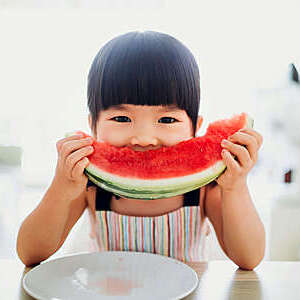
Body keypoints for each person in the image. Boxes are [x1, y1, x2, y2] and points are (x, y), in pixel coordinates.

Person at [16, 30, 265, 269]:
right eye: (122, 119)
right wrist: (61, 188)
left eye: (167, 120)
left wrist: (236, 187)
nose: (144, 138)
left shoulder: (206, 189)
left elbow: (248, 258)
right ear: (92, 125)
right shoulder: (88, 188)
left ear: (195, 128)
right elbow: (30, 253)